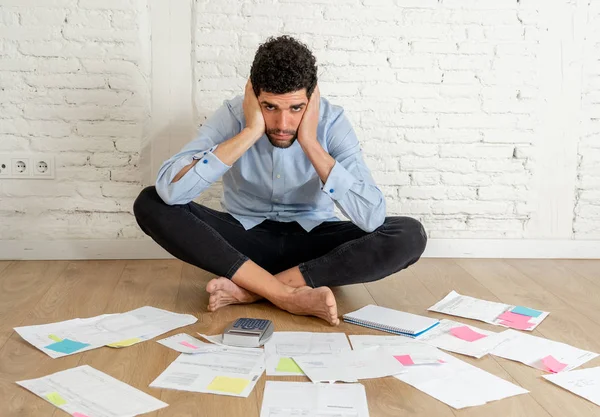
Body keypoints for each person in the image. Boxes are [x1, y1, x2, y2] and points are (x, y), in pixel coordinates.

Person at [133, 35, 427, 325]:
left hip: (313, 244)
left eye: (296, 108)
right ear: (253, 95)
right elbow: (170, 190)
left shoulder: (332, 122)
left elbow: (372, 217)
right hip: (244, 239)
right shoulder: (234, 116)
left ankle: (255, 290)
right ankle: (286, 295)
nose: (283, 124)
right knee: (150, 202)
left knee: (409, 234)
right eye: (270, 107)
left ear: (311, 99)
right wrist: (249, 132)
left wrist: (310, 141)